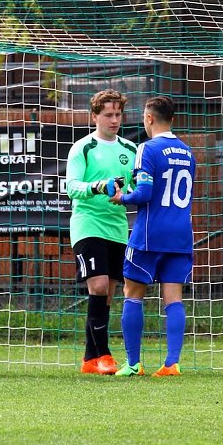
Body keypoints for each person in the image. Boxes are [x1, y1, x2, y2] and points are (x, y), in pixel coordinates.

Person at [109, 96, 196, 377]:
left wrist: (123, 197)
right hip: (181, 234)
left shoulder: (147, 148)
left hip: (150, 233)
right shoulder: (187, 152)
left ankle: (134, 364)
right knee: (173, 299)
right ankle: (172, 363)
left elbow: (144, 194)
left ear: (148, 118)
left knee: (132, 294)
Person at [65, 89, 137, 375]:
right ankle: (105, 355)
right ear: (95, 116)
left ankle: (89, 359)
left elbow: (133, 188)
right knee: (97, 286)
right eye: (108, 114)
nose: (114, 120)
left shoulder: (130, 150)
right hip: (87, 224)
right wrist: (97, 186)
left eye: (118, 114)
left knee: (107, 294)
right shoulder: (82, 148)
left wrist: (126, 192)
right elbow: (72, 187)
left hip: (117, 228)